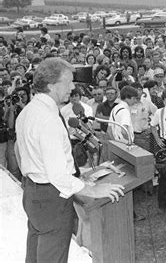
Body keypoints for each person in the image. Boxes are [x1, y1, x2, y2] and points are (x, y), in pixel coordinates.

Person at [16, 57, 124, 263]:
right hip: (52, 197)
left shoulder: (29, 111)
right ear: (51, 85)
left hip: (33, 192)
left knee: (36, 254)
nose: (73, 87)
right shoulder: (48, 119)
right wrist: (92, 190)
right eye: (68, 82)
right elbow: (58, 175)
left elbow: (22, 156)